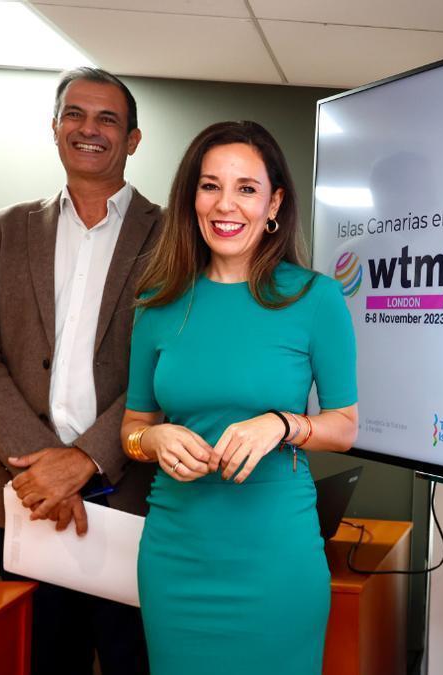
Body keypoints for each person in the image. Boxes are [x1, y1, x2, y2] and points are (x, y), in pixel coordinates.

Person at [119, 121, 359, 674]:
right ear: (192, 198)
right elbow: (132, 428)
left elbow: (344, 427)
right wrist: (152, 438)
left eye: (246, 188)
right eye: (210, 186)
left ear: (274, 202)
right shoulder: (156, 305)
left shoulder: (315, 298)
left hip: (277, 555)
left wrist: (281, 423)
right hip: (176, 554)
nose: (226, 204)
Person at [0, 67, 157, 675]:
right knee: (42, 659)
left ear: (133, 139)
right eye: (75, 115)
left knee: (133, 659)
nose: (88, 129)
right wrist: (44, 463)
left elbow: (175, 365)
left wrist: (88, 459)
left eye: (107, 119)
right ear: (55, 127)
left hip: (131, 497)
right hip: (25, 495)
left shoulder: (176, 237)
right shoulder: (4, 232)